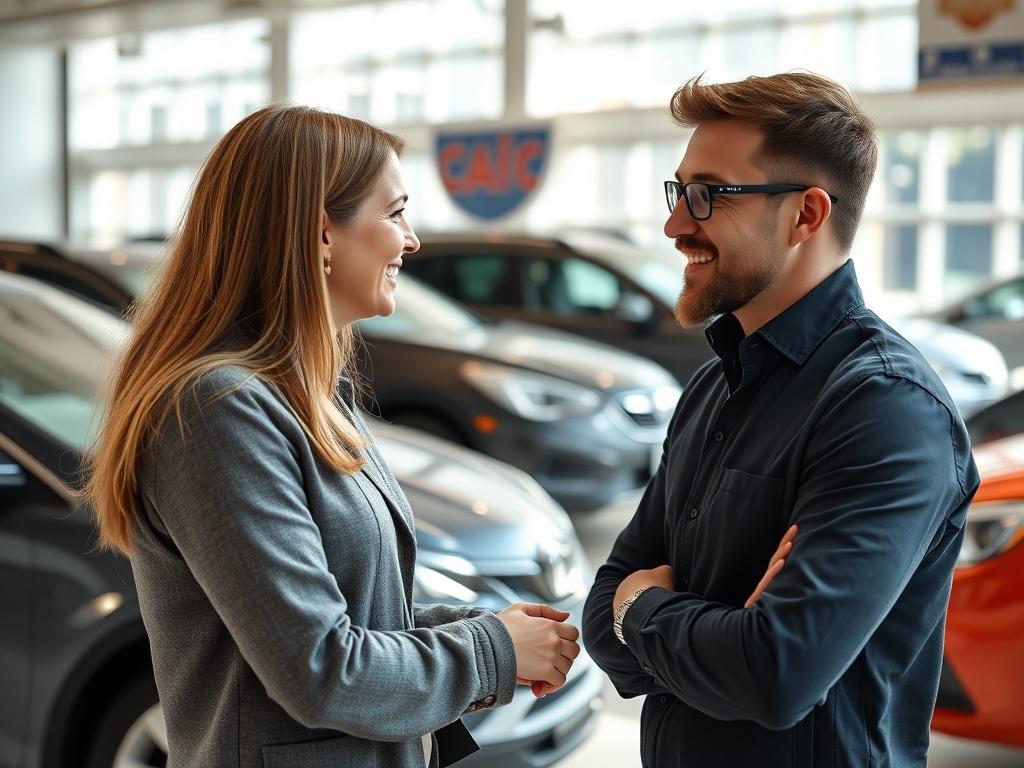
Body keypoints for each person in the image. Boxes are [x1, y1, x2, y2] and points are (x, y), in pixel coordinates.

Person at [82, 105, 580, 768]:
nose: (412, 239)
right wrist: (492, 651)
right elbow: (319, 669)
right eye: (396, 212)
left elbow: (359, 617)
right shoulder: (218, 410)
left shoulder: (304, 394)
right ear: (321, 233)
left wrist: (490, 630)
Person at [581, 72, 979, 767]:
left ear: (807, 214)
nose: (676, 224)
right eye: (678, 192)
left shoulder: (885, 407)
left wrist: (644, 610)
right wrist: (695, 627)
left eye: (708, 195)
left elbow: (775, 674)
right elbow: (600, 612)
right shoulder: (713, 384)